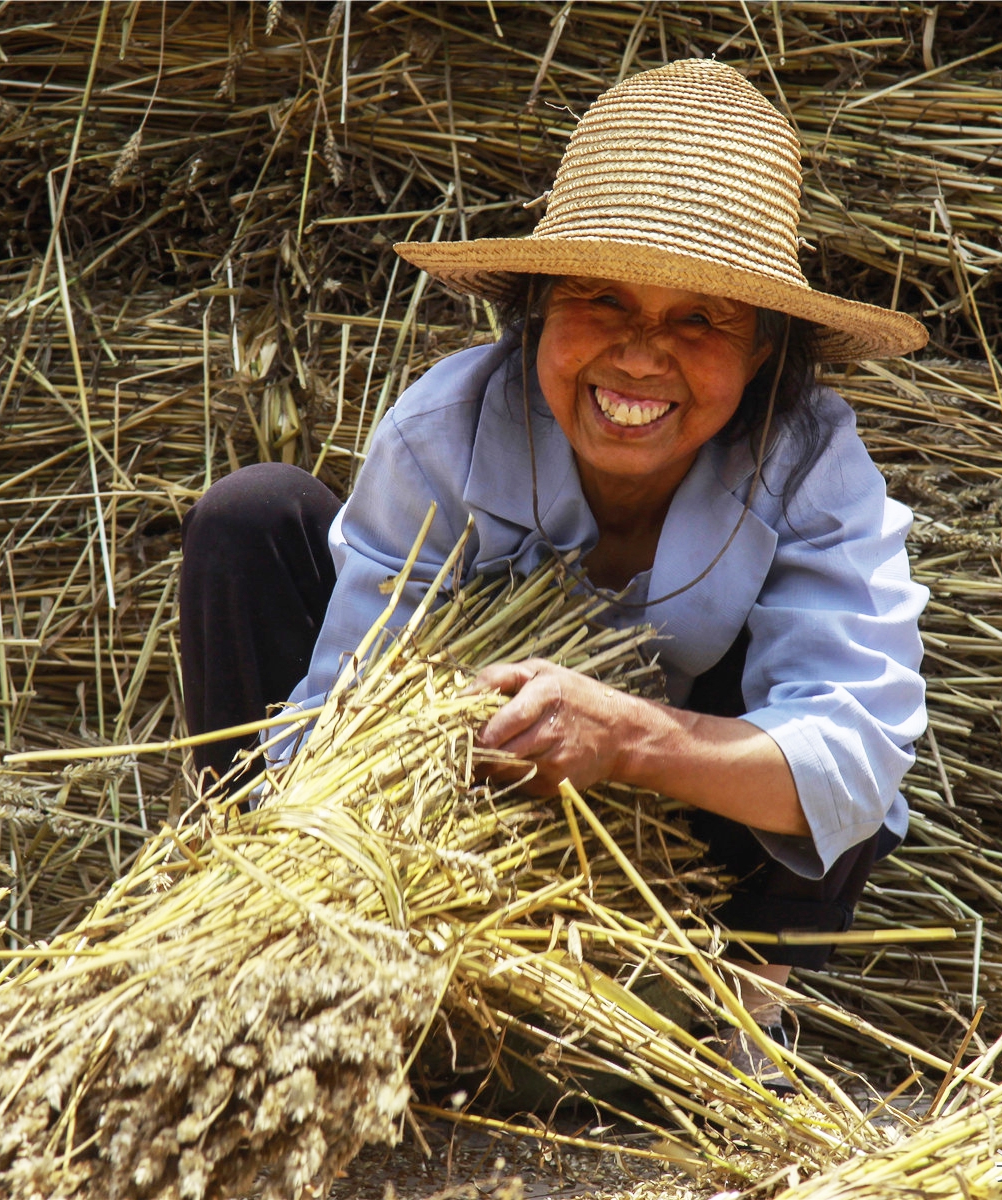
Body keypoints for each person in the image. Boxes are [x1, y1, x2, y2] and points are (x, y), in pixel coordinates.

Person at [177, 60, 928, 1087]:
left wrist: (629, 739)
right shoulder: (444, 438)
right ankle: (267, 962)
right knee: (251, 518)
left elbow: (855, 756)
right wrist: (388, 795)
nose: (641, 356)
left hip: (675, 846)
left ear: (761, 353)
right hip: (469, 814)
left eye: (701, 318)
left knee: (824, 750)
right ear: (535, 309)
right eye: (600, 298)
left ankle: (735, 1029)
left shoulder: (808, 467)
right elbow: (329, 721)